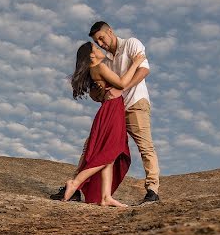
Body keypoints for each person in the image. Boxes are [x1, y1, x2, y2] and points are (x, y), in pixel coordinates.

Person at [61, 42, 147, 207]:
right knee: (112, 150)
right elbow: (121, 84)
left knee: (110, 153)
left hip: (111, 109)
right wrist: (136, 63)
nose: (100, 50)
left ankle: (105, 197)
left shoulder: (95, 69)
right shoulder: (98, 66)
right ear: (91, 55)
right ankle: (75, 182)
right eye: (97, 48)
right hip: (111, 110)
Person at [88, 21, 161, 204]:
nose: (101, 44)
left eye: (102, 38)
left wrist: (123, 88)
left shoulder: (131, 43)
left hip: (136, 103)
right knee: (93, 145)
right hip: (115, 110)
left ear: (110, 31)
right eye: (98, 42)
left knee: (145, 146)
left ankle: (152, 190)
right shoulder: (104, 61)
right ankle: (74, 186)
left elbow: (144, 69)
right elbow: (103, 91)